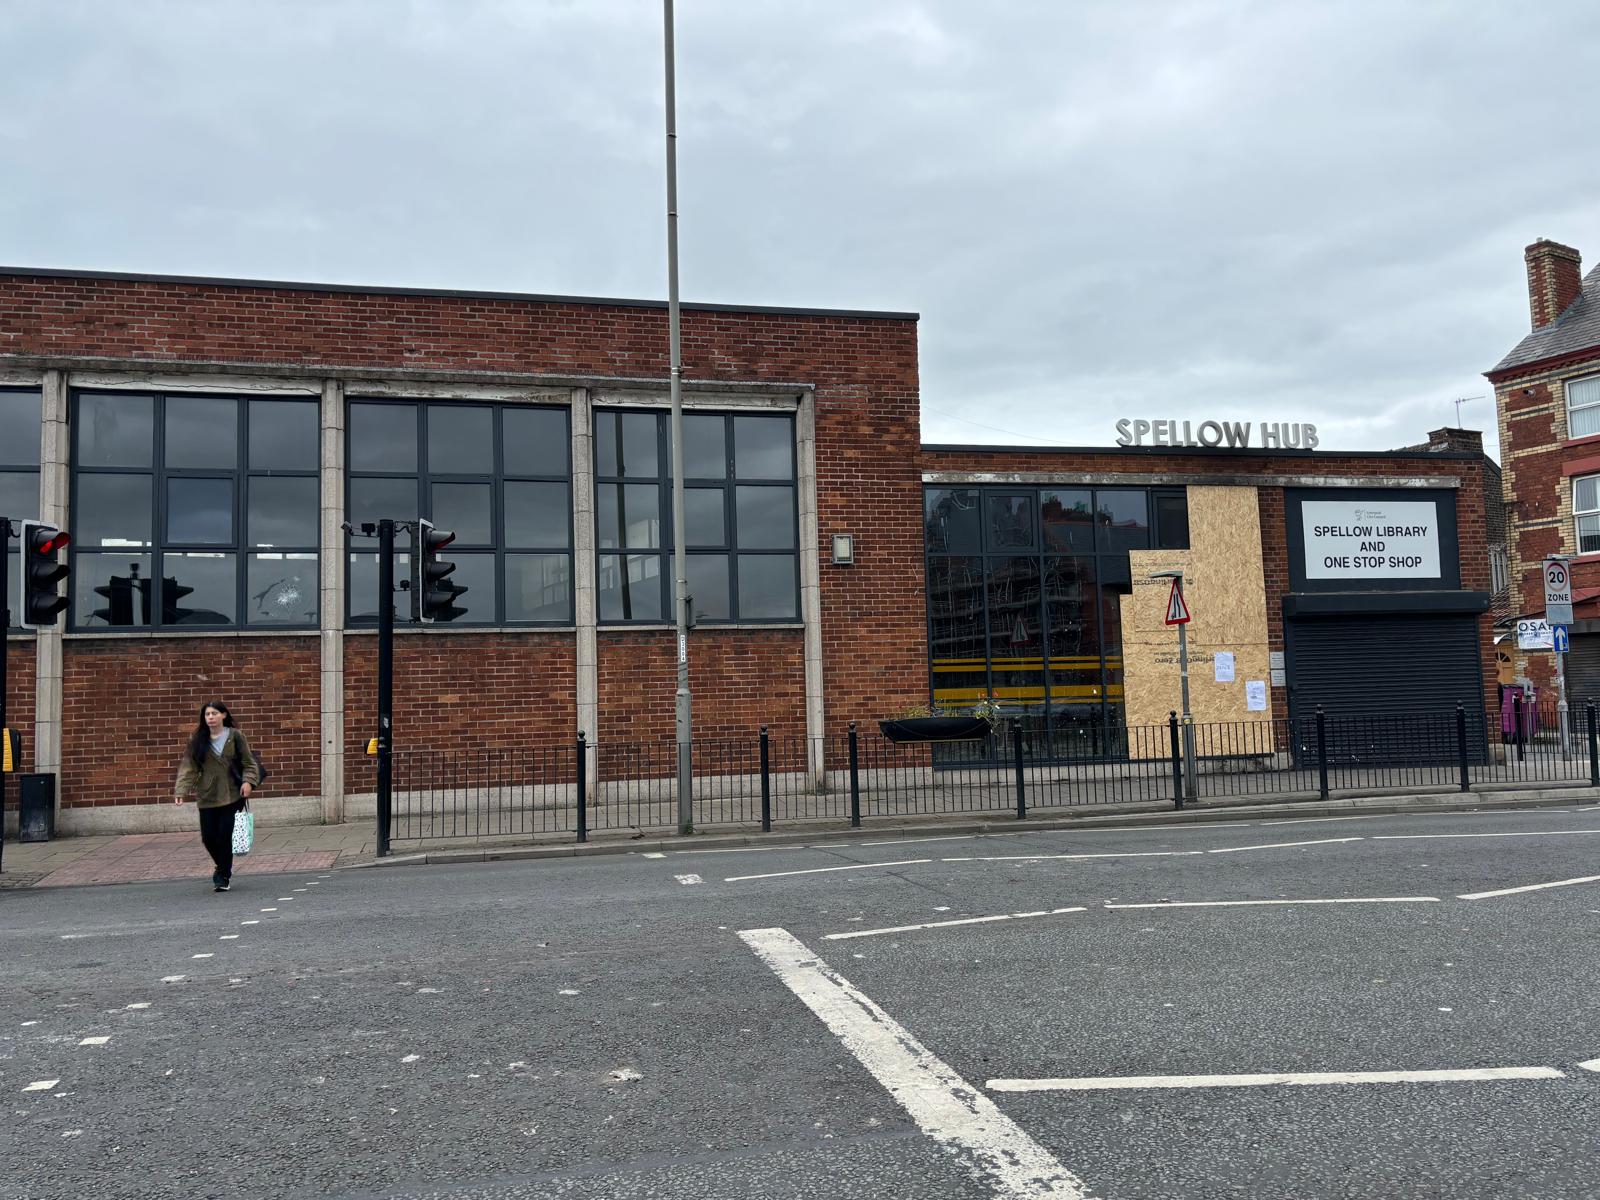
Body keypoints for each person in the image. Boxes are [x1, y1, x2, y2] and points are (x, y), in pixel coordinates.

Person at [174, 701, 260, 892]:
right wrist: (181, 790)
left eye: (214, 713)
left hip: (232, 794)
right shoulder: (198, 740)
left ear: (224, 715)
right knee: (208, 838)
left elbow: (249, 761)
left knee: (224, 835)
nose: (210, 717)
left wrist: (248, 782)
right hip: (207, 796)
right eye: (207, 714)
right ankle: (221, 866)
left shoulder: (235, 736)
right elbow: (189, 767)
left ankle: (223, 876)